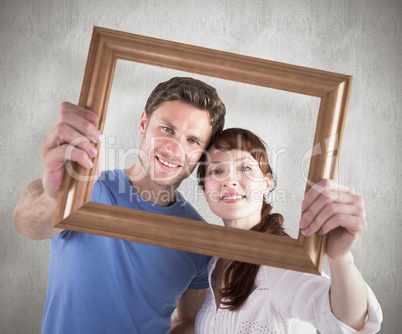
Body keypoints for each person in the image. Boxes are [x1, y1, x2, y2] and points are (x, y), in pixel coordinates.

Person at [13, 77, 226, 333]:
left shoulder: (199, 239)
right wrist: (57, 196)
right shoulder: (88, 191)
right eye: (167, 129)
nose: (173, 149)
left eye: (192, 141)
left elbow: (188, 321)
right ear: (143, 123)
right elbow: (26, 223)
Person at [195, 128, 382, 333]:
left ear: (266, 183)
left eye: (245, 168)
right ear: (205, 190)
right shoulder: (214, 261)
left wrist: (340, 259)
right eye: (216, 171)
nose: (229, 181)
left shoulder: (280, 260)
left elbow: (347, 321)